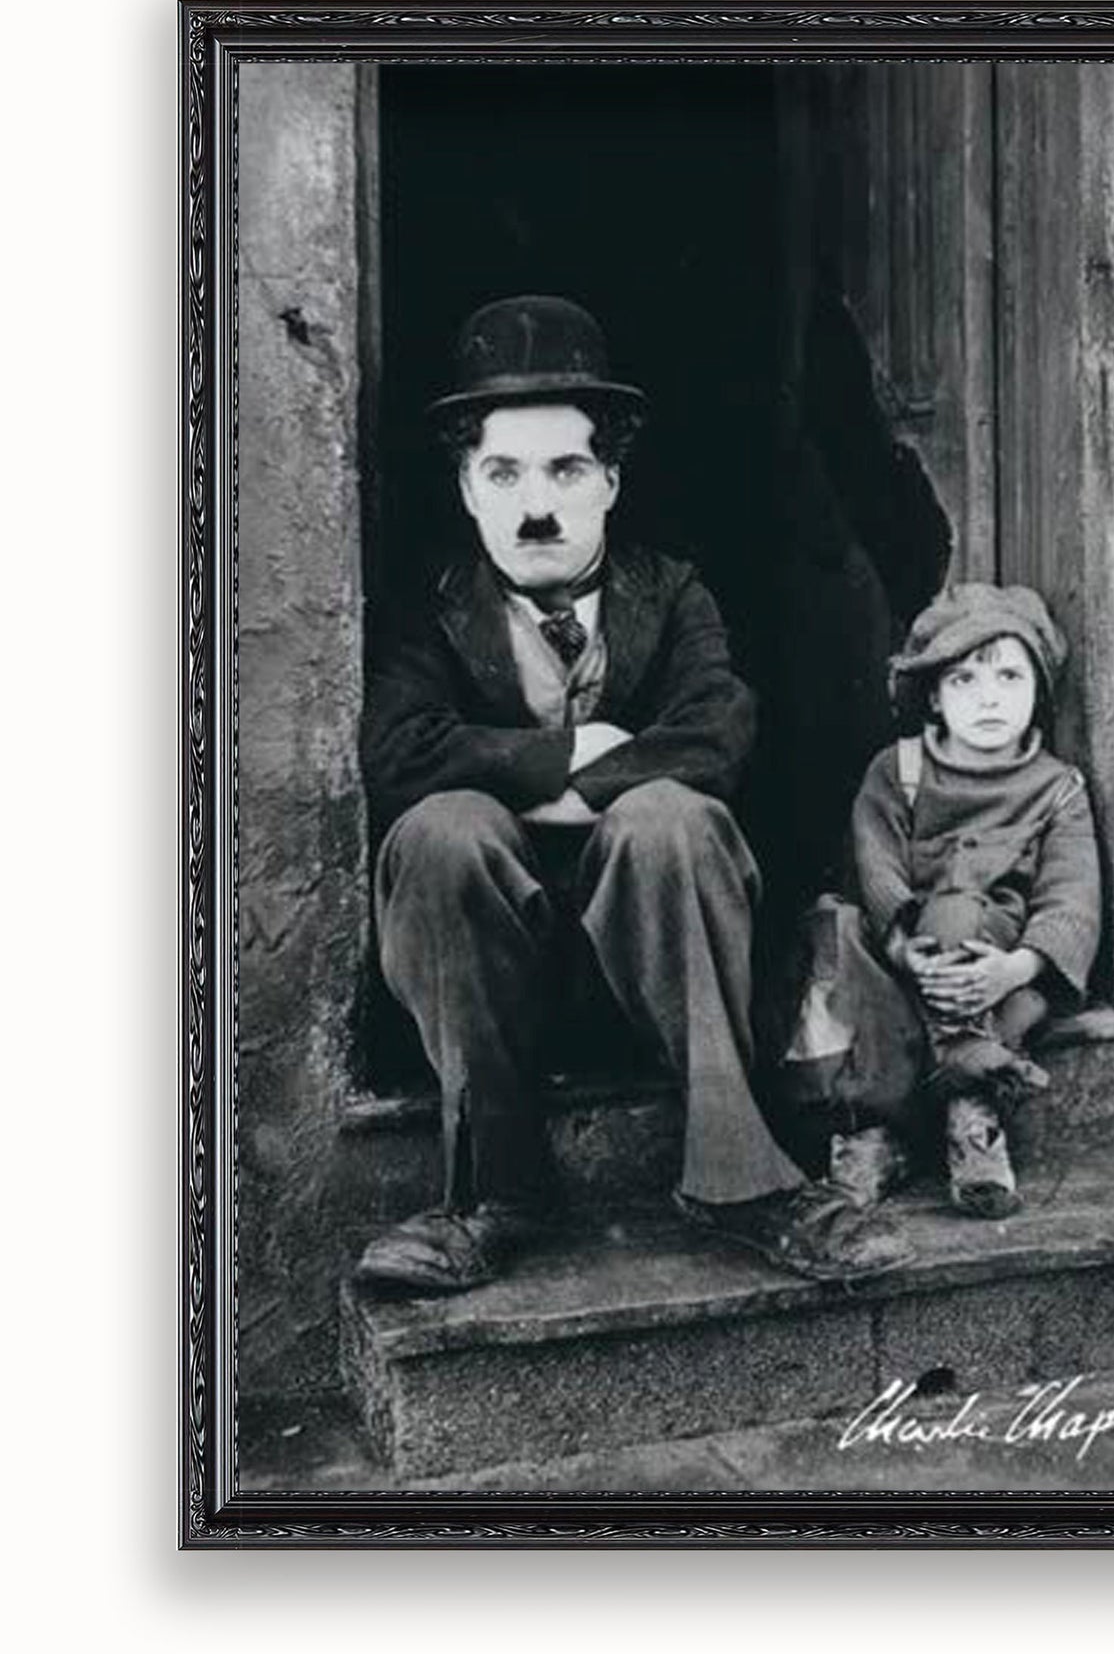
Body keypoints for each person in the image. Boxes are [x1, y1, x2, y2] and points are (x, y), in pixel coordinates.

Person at [355, 294, 910, 1293]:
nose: (536, 504)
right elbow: (398, 756)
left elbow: (715, 739)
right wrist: (575, 757)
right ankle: (491, 1194)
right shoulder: (426, 607)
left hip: (668, 972)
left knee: (668, 818)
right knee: (442, 830)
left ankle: (740, 1181)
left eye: (566, 469)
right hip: (488, 985)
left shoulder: (673, 590)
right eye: (503, 472)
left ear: (610, 481)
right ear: (467, 488)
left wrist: (586, 789)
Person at [846, 582, 1102, 1217]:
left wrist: (1015, 968)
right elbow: (876, 867)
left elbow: (1071, 897)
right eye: (963, 680)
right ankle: (953, 1099)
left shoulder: (1057, 788)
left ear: (1039, 690)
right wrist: (904, 951)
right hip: (907, 965)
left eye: (1010, 677)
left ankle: (964, 1119)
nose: (989, 698)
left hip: (1001, 972)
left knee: (964, 914)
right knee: (838, 932)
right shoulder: (899, 771)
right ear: (934, 696)